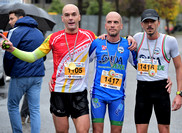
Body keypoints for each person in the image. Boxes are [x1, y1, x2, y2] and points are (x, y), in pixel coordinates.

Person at [0, 4, 135, 133]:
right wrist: (13, 49)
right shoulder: (53, 38)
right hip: (59, 93)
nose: (71, 17)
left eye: (74, 14)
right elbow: (32, 57)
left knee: (83, 130)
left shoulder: (90, 37)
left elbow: (110, 42)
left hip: (79, 94)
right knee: (62, 131)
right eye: (67, 15)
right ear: (62, 18)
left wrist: (128, 38)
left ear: (79, 17)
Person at [133, 9, 182, 133]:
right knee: (140, 130)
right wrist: (104, 36)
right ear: (142, 24)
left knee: (164, 129)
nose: (149, 25)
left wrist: (179, 94)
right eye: (146, 22)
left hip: (161, 89)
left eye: (152, 21)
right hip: (143, 90)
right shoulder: (137, 38)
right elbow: (117, 41)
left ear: (158, 23)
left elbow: (179, 67)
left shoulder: (170, 41)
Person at [89, 11, 137, 133]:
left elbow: (141, 66)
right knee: (97, 131)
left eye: (116, 22)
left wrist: (163, 77)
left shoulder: (128, 45)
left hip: (117, 97)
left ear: (121, 26)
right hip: (98, 95)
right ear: (105, 25)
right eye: (109, 22)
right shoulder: (97, 43)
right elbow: (81, 62)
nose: (112, 25)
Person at [2, 9, 45, 132]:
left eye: (12, 19)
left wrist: (9, 73)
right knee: (35, 108)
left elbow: (8, 56)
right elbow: (44, 55)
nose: (10, 22)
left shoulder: (13, 32)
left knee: (12, 105)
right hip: (37, 75)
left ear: (20, 18)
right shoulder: (39, 32)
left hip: (20, 75)